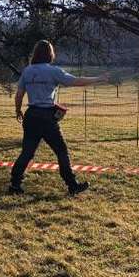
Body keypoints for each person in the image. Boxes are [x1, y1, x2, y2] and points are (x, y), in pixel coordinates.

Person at [8, 40, 109, 195]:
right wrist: (99, 79)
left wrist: (18, 111)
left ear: (35, 54)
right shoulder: (53, 71)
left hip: (31, 116)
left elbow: (19, 94)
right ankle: (72, 184)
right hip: (47, 117)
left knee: (27, 152)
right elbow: (76, 81)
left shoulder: (27, 71)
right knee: (61, 151)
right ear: (50, 54)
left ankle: (15, 185)